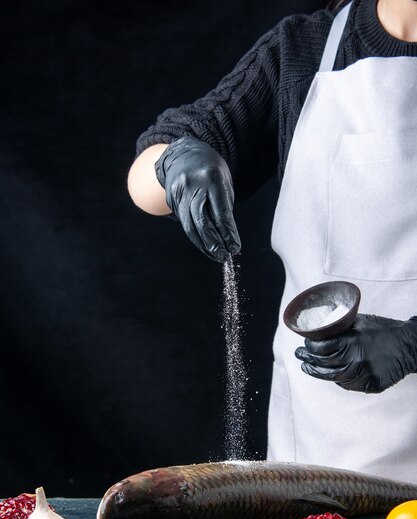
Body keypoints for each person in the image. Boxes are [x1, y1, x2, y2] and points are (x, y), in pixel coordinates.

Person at [128, 0, 417, 483]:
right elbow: (146, 182)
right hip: (323, 450)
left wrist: (411, 344)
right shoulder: (303, 50)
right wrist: (176, 162)